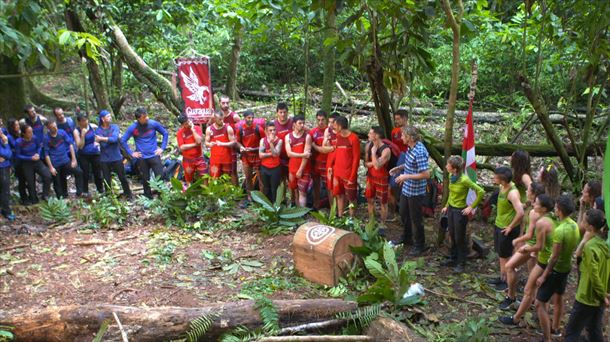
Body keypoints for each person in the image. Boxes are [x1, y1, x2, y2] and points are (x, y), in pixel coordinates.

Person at [499, 193, 556, 327]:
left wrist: (527, 249)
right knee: (533, 289)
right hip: (546, 259)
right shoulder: (551, 219)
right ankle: (537, 317)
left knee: (529, 290)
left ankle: (517, 319)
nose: (534, 204)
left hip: (544, 260)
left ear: (543, 208)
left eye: (536, 203)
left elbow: (539, 244)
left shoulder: (542, 221)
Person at [535, 194, 580, 341]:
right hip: (566, 268)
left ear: (559, 210)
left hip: (556, 270)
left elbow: (554, 257)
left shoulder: (560, 231)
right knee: (559, 297)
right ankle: (556, 327)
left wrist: (544, 275)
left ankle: (547, 338)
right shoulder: (574, 225)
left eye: (556, 207)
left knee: (539, 303)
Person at [564, 209, 609, 342]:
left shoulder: (590, 247)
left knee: (571, 332)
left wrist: (603, 294)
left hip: (586, 297)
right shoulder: (604, 244)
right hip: (599, 297)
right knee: (594, 329)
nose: (582, 222)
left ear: (590, 226)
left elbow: (593, 274)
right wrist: (605, 293)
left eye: (584, 220)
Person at [502, 182, 546, 306]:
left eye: (528, 190)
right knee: (533, 272)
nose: (526, 192)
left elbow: (530, 234)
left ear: (534, 194)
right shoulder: (535, 208)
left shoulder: (534, 213)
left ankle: (512, 296)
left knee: (509, 266)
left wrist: (518, 240)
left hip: (533, 246)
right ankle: (533, 300)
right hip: (535, 246)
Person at [390, 126, 430, 256]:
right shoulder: (410, 148)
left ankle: (420, 245)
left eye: (403, 136)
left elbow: (426, 174)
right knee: (403, 213)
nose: (401, 138)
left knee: (416, 218)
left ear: (410, 138)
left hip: (416, 191)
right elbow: (410, 164)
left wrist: (406, 176)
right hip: (407, 188)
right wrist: (399, 168)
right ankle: (407, 237)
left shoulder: (420, 152)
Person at [440, 155, 484, 272]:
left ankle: (461, 262)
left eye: (448, 165)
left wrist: (471, 207)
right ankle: (452, 258)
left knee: (460, 238)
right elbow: (451, 193)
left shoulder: (464, 179)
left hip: (460, 212)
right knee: (452, 235)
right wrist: (447, 206)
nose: (446, 166)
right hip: (451, 210)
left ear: (454, 168)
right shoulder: (451, 176)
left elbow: (481, 191)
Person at [488, 167, 524, 291]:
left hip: (506, 229)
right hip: (499, 225)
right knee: (501, 254)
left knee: (506, 256)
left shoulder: (512, 193)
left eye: (495, 176)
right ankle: (502, 277)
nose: (493, 178)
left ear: (502, 179)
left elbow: (520, 212)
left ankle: (507, 283)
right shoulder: (502, 187)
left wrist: (510, 226)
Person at [121, 107, 169, 199]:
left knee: (160, 176)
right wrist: (131, 153)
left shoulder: (153, 123)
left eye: (147, 115)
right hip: (142, 157)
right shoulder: (133, 127)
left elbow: (165, 133)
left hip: (154, 155)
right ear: (138, 118)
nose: (147, 118)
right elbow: (123, 140)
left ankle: (162, 196)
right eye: (144, 117)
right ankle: (148, 197)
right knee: (145, 179)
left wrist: (162, 148)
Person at [327, 116, 360, 217]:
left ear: (340, 126)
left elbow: (356, 158)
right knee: (339, 194)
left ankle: (351, 218)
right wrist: (331, 166)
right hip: (337, 172)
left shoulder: (353, 138)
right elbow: (335, 152)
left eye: (335, 125)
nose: (333, 127)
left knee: (351, 197)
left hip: (349, 173)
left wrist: (352, 176)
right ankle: (340, 216)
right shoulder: (337, 136)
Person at [95, 110, 132, 198]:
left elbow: (115, 139)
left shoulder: (115, 127)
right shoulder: (98, 130)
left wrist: (102, 138)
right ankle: (109, 197)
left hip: (117, 157)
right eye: (108, 116)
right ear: (103, 119)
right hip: (105, 159)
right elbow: (104, 144)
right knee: (107, 180)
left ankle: (129, 195)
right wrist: (107, 139)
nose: (110, 118)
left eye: (110, 116)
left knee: (122, 177)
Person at [43, 120, 83, 198]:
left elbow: (70, 144)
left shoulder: (61, 132)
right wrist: (51, 167)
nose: (55, 128)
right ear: (48, 128)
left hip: (65, 160)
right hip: (55, 163)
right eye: (53, 127)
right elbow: (46, 154)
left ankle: (79, 192)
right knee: (58, 182)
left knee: (78, 172)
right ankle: (62, 197)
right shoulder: (47, 138)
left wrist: (74, 159)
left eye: (55, 126)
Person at [15, 125, 51, 204]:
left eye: (32, 132)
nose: (31, 134)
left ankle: (45, 195)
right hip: (26, 163)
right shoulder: (19, 142)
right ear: (24, 133)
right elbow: (18, 155)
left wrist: (38, 154)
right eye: (29, 132)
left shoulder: (34, 138)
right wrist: (30, 158)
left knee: (47, 175)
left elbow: (39, 147)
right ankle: (34, 199)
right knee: (31, 182)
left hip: (36, 160)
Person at [364, 126, 392, 224]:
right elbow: (366, 163)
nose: (368, 135)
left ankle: (382, 223)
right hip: (371, 177)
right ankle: (371, 221)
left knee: (383, 202)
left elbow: (377, 166)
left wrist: (373, 153)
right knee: (369, 199)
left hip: (382, 178)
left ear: (376, 135)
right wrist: (374, 161)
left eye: (370, 133)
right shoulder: (368, 145)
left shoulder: (386, 150)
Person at [285, 115, 312, 208]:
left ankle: (302, 214)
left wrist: (300, 170)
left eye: (303, 123)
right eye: (299, 123)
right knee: (293, 189)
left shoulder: (307, 137)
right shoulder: (288, 136)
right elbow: (289, 153)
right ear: (294, 124)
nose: (302, 125)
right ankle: (295, 209)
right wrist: (302, 155)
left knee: (302, 192)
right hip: (292, 168)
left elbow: (307, 156)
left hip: (304, 169)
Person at [74, 114, 104, 196]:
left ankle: (100, 189)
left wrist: (97, 142)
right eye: (83, 121)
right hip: (83, 155)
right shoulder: (76, 131)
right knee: (85, 173)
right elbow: (80, 146)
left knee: (97, 172)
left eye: (86, 120)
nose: (85, 122)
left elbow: (99, 135)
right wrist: (83, 135)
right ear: (79, 122)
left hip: (95, 153)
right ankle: (85, 191)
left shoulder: (93, 126)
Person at [237, 110, 264, 199]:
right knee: (248, 178)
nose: (251, 119)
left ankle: (262, 198)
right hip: (246, 157)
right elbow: (238, 142)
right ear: (244, 118)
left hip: (257, 156)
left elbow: (264, 143)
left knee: (261, 179)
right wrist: (241, 147)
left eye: (252, 118)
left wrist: (254, 149)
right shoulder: (241, 129)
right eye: (249, 118)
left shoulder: (258, 129)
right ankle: (250, 197)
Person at [389, 109, 409, 219]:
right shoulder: (394, 131)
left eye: (398, 119)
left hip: (407, 158)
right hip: (397, 158)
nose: (396, 121)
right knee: (393, 184)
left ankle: (403, 210)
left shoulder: (411, 131)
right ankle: (396, 208)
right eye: (395, 119)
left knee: (403, 183)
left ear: (405, 118)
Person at [176, 114, 206, 185]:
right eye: (186, 124)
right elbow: (182, 147)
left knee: (204, 176)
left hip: (199, 158)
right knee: (188, 178)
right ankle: (190, 193)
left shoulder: (197, 128)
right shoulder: (180, 133)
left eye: (189, 121)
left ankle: (207, 192)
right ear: (182, 125)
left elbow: (199, 141)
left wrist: (193, 130)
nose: (188, 124)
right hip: (188, 160)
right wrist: (195, 145)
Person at [205, 111, 235, 180]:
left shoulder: (228, 128)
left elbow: (233, 142)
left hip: (226, 159)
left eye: (222, 119)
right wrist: (209, 144)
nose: (222, 121)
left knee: (226, 180)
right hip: (215, 160)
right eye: (219, 119)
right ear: (215, 119)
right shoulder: (209, 129)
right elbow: (206, 142)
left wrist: (222, 144)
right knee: (214, 179)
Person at [309, 110, 330, 209]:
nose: (320, 122)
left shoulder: (330, 131)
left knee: (329, 186)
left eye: (322, 120)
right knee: (316, 184)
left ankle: (332, 206)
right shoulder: (313, 132)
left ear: (326, 119)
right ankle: (316, 204)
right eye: (318, 120)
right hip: (315, 163)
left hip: (327, 163)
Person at [259, 122, 283, 202]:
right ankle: (267, 206)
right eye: (270, 130)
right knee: (266, 188)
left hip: (275, 168)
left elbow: (276, 154)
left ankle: (275, 206)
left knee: (274, 188)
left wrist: (271, 143)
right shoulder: (262, 140)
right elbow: (261, 155)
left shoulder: (279, 141)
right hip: (264, 167)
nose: (272, 132)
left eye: (274, 130)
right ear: (266, 131)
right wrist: (271, 153)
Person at [220, 95, 240, 185]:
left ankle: (236, 192)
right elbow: (209, 126)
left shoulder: (234, 116)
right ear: (219, 103)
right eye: (223, 103)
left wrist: (237, 140)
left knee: (233, 170)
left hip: (231, 147)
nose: (225, 105)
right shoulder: (216, 116)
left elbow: (242, 129)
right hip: (220, 147)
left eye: (227, 103)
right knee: (221, 170)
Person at [323, 113, 340, 208]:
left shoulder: (342, 131)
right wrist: (327, 141)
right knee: (330, 186)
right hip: (330, 160)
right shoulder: (328, 130)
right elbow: (324, 146)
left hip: (340, 162)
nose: (330, 124)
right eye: (329, 122)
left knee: (339, 187)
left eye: (332, 122)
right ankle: (332, 208)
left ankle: (341, 210)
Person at [273, 102, 293, 182]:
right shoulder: (273, 124)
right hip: (279, 158)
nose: (283, 114)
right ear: (277, 113)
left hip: (291, 157)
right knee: (281, 182)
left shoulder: (293, 122)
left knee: (292, 182)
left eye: (284, 112)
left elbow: (306, 131)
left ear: (287, 112)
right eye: (280, 112)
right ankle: (283, 195)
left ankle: (293, 195)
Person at [0, 127, 15, 221]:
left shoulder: (3, 135)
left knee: (5, 189)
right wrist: (6, 143)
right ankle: (6, 211)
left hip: (5, 166)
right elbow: (8, 154)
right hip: (2, 168)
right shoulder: (3, 140)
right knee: (5, 190)